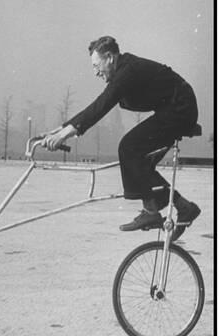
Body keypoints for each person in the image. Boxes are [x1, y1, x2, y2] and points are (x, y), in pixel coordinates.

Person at [42, 36, 201, 240]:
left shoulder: (128, 71)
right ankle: (183, 207)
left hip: (180, 108)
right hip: (173, 107)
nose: (95, 72)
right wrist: (58, 131)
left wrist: (65, 134)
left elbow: (101, 105)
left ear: (109, 57)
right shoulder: (124, 70)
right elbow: (98, 105)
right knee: (139, 161)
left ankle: (152, 212)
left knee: (129, 147)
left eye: (96, 66)